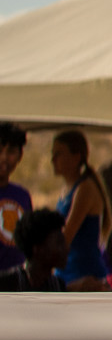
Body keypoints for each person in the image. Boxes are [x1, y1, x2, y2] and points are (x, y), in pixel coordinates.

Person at [50, 129, 111, 289]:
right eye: (53, 154)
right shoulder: (66, 190)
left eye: (59, 154)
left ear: (76, 157)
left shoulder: (85, 188)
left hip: (83, 274)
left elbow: (66, 236)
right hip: (65, 271)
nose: (53, 160)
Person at [0, 211, 70, 292]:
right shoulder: (6, 284)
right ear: (37, 248)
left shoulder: (57, 286)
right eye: (59, 242)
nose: (67, 249)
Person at [0, 123, 33, 277]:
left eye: (11, 152)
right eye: (0, 150)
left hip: (17, 282)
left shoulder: (22, 196)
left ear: (20, 156)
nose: (4, 158)